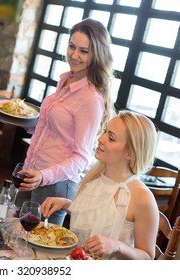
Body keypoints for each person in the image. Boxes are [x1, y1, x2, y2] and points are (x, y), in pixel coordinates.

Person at [17, 18, 115, 225]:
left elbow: (81, 157)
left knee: (37, 250)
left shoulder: (91, 99)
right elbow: (54, 129)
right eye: (72, 46)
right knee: (15, 238)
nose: (74, 55)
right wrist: (25, 121)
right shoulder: (67, 80)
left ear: (97, 55)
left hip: (55, 185)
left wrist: (43, 176)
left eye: (84, 51)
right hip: (32, 173)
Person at [42, 111, 159, 260]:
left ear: (130, 153)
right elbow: (98, 217)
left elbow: (147, 258)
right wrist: (65, 204)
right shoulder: (96, 177)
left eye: (111, 138)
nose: (100, 138)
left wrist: (117, 246)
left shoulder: (142, 197)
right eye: (105, 131)